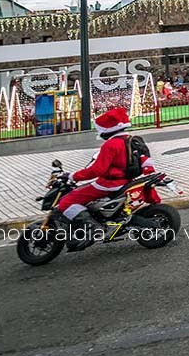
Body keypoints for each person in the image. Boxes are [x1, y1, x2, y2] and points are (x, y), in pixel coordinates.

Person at [56, 107, 154, 251]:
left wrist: (73, 176)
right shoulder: (131, 139)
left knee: (66, 202)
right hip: (126, 180)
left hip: (109, 183)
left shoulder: (110, 145)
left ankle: (92, 227)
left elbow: (97, 170)